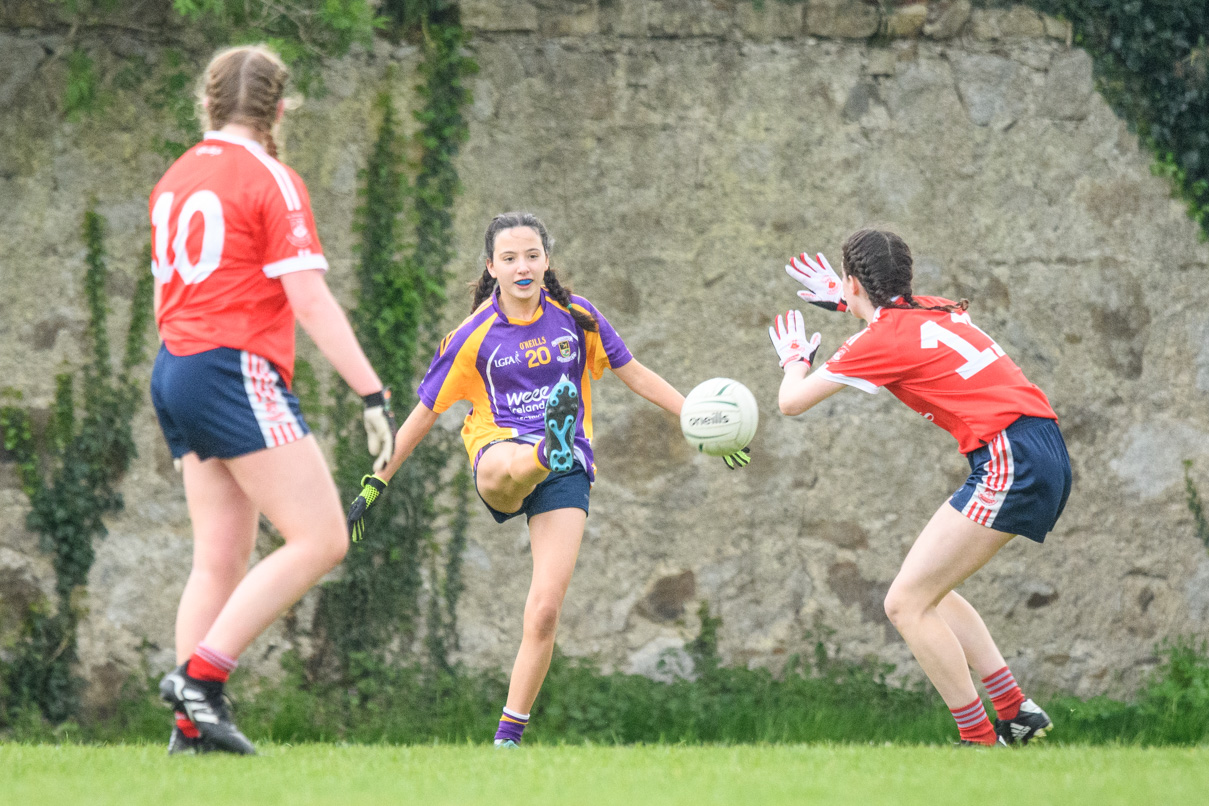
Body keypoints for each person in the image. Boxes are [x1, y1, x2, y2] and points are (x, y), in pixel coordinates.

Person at [346, 211, 750, 747]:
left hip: (568, 465)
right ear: (491, 267)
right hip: (498, 451)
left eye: (531, 255)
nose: (522, 266)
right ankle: (542, 448)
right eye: (509, 258)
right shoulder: (472, 337)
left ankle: (506, 740)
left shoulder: (577, 317)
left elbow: (635, 373)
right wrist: (377, 481)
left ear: (546, 261)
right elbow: (421, 415)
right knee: (509, 466)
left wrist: (699, 423)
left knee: (543, 611)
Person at [148, 44, 395, 755]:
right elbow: (309, 301)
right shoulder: (271, 178)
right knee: (322, 537)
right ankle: (200, 682)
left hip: (177, 367)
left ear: (207, 103)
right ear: (281, 110)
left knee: (217, 559)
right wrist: (371, 392)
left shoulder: (175, 176)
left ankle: (190, 733)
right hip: (231, 367)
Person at [770, 229, 1071, 747]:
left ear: (854, 280)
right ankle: (1015, 711)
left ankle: (977, 739)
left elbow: (791, 402)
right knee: (929, 589)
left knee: (905, 604)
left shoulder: (879, 339)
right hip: (1040, 444)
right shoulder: (941, 309)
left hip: (1008, 456)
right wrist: (850, 300)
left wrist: (795, 356)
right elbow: (904, 330)